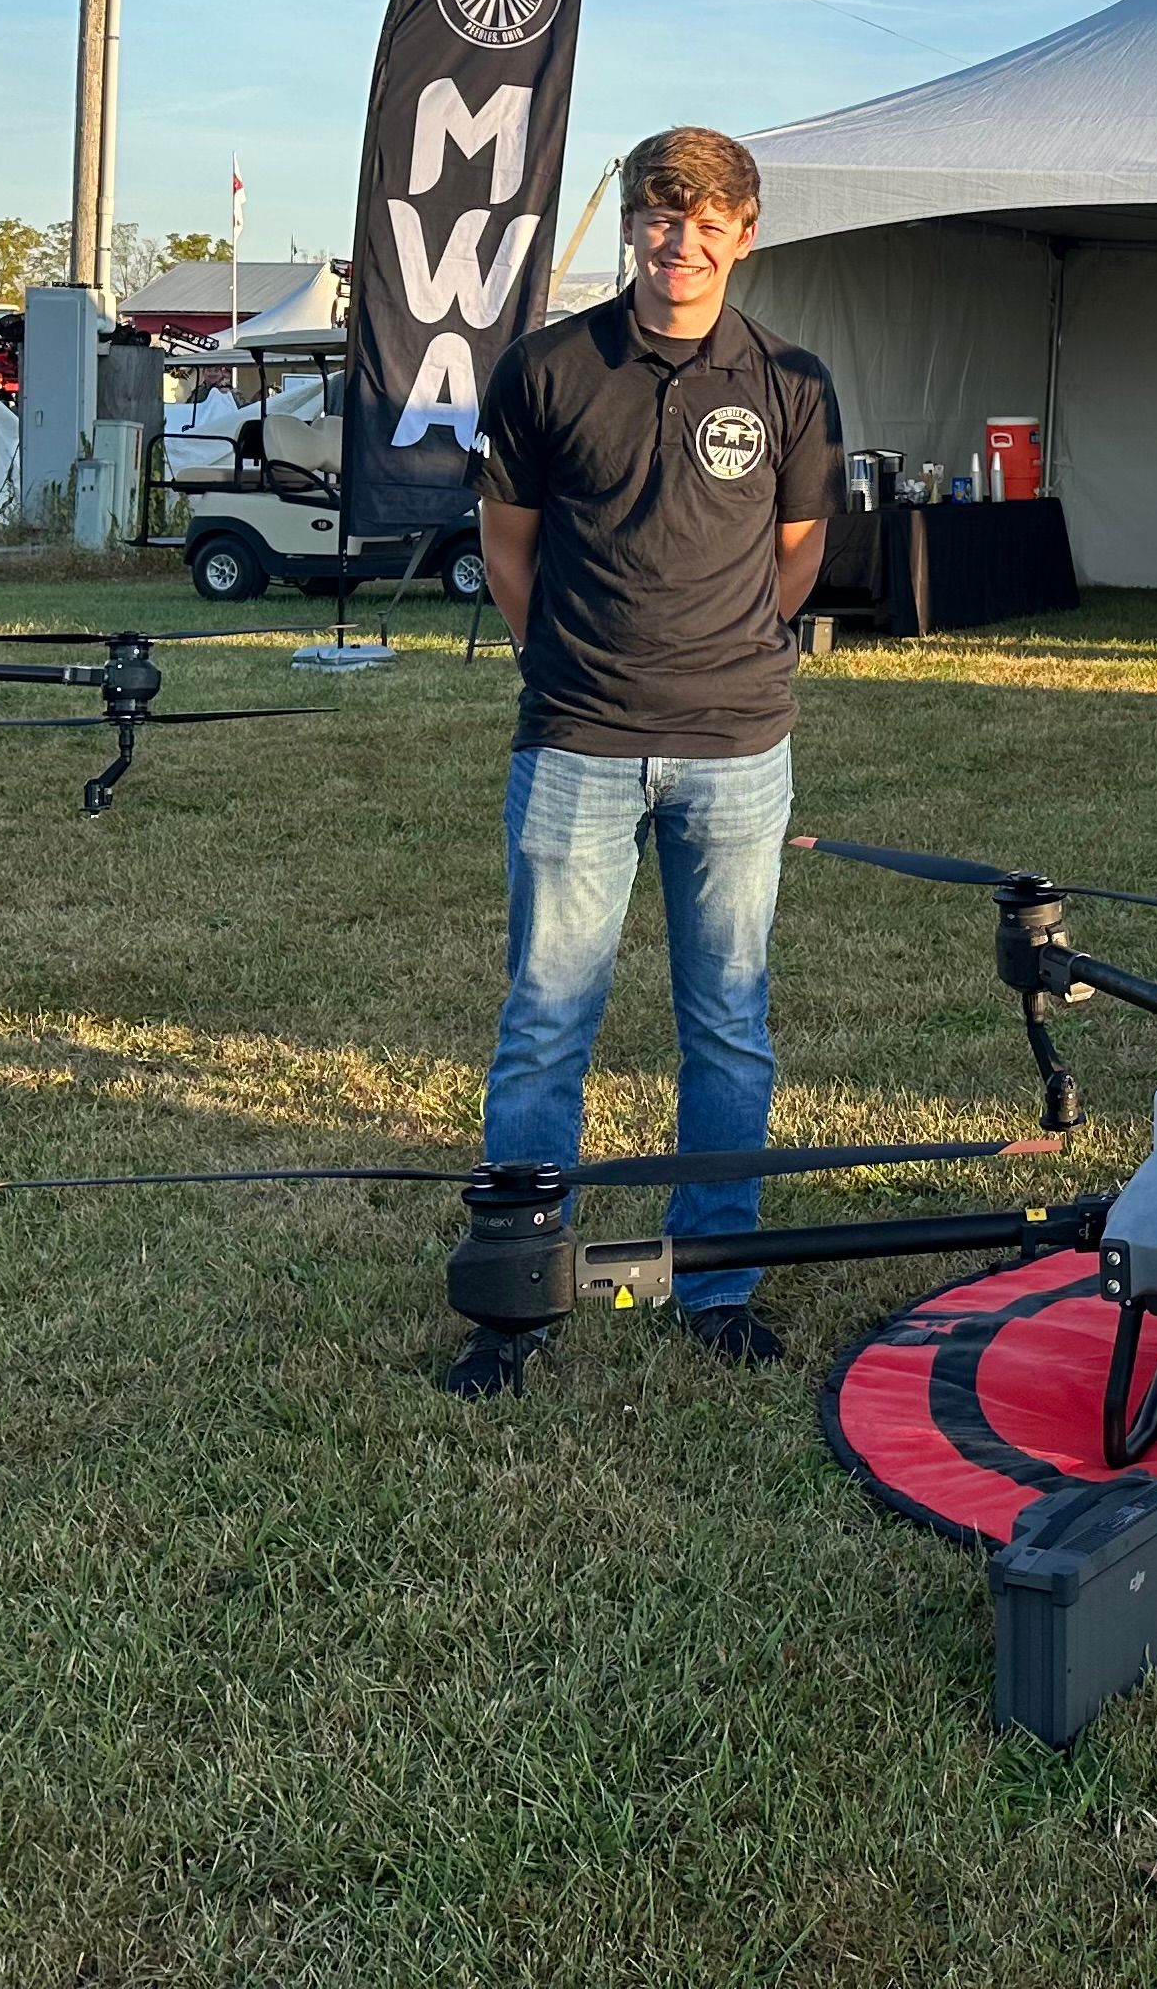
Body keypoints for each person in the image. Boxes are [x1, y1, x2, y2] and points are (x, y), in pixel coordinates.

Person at [445, 126, 841, 1399]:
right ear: (631, 225)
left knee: (728, 1026)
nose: (683, 243)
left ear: (746, 235)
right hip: (578, 741)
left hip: (737, 750)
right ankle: (520, 1293)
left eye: (708, 222)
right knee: (545, 1024)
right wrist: (563, 664)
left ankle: (716, 1283)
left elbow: (796, 551)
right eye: (662, 218)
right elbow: (508, 546)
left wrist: (733, 657)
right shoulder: (548, 368)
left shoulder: (791, 381)